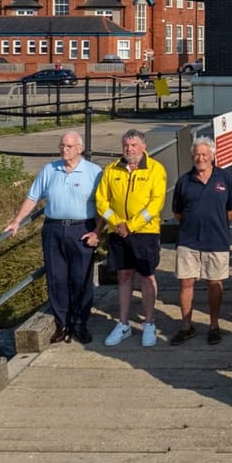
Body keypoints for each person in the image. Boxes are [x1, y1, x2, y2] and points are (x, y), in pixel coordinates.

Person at [4, 131, 102, 344]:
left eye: (68, 146)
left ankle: (80, 324)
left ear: (79, 148)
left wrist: (98, 232)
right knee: (56, 279)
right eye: (61, 146)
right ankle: (62, 324)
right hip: (53, 229)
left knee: (80, 279)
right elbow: (33, 197)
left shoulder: (94, 172)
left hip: (82, 229)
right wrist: (17, 220)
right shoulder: (50, 169)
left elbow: (103, 206)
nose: (64, 150)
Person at [97, 129, 167, 347]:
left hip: (145, 232)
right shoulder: (111, 169)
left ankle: (149, 323)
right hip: (118, 232)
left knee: (146, 275)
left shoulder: (156, 169)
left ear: (143, 147)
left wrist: (132, 225)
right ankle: (124, 323)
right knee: (124, 275)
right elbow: (101, 200)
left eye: (134, 145)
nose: (130, 149)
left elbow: (156, 203)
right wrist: (117, 223)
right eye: (126, 145)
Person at [169, 136, 232, 346]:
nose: (200, 158)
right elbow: (178, 212)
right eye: (197, 155)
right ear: (193, 156)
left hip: (216, 240)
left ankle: (214, 326)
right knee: (186, 282)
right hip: (188, 241)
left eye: (204, 154)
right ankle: (186, 327)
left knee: (214, 284)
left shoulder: (225, 179)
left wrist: (214, 222)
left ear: (212, 156)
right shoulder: (184, 181)